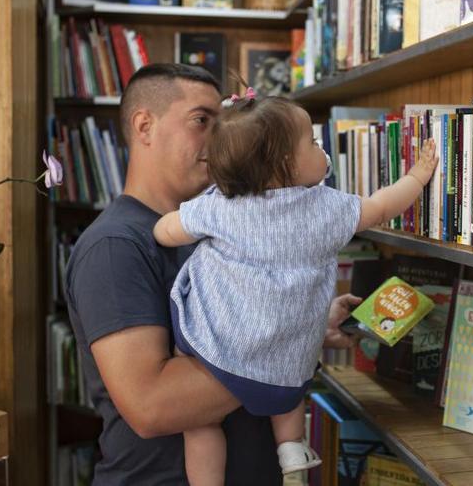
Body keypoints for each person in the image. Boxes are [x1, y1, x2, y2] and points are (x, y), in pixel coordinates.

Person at [64, 63, 360, 485]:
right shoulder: (115, 247)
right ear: (144, 126)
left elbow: (230, 327)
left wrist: (308, 321)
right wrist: (289, 345)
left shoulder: (216, 223)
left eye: (223, 123)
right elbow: (154, 406)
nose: (222, 138)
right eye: (202, 121)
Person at [153, 88, 438, 485]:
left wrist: (162, 227)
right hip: (288, 352)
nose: (322, 150)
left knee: (201, 426)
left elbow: (168, 232)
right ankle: (292, 454)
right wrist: (418, 176)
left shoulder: (220, 206)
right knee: (287, 384)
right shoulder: (326, 207)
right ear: (287, 163)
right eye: (314, 142)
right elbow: (382, 206)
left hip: (220, 345)